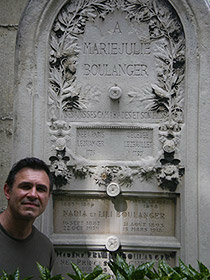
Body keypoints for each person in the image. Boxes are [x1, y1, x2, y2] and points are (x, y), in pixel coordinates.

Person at [0, 157, 55, 278]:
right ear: (7, 191)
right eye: (26, 186)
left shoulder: (46, 248)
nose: (33, 195)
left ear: (48, 197)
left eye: (41, 189)